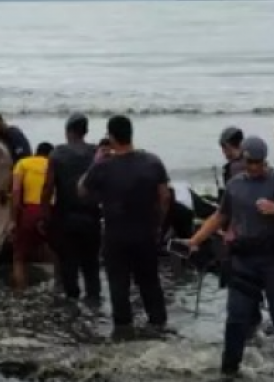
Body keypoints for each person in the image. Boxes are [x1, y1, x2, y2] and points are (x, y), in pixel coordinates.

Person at [187, 136, 274, 374]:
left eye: (258, 162)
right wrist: (196, 240)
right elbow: (220, 217)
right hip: (245, 260)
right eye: (249, 162)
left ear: (264, 160)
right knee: (236, 318)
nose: (254, 167)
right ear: (243, 159)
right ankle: (229, 369)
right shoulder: (235, 185)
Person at [80, 115, 170, 337]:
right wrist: (157, 223)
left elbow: (82, 191)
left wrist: (97, 159)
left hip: (115, 235)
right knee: (150, 283)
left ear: (110, 136)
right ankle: (158, 327)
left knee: (118, 286)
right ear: (131, 133)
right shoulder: (152, 161)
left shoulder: (103, 167)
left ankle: (123, 331)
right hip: (145, 233)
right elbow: (165, 197)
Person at [40, 113, 102, 303]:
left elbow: (48, 188)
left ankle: (72, 302)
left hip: (65, 217)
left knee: (69, 263)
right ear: (86, 131)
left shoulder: (57, 153)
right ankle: (93, 302)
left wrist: (44, 215)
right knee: (91, 265)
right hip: (92, 217)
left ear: (68, 132)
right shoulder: (96, 153)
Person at [11, 141, 53, 290]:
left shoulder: (23, 163)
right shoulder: (53, 164)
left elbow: (15, 190)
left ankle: (20, 292)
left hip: (30, 211)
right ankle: (57, 288)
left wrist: (15, 217)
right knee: (54, 252)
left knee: (18, 257)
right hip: (50, 210)